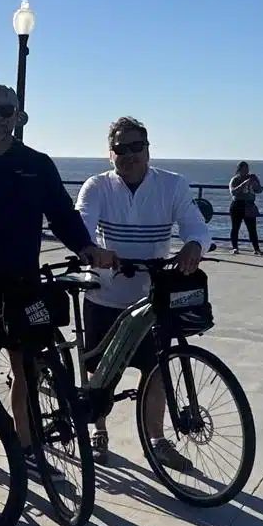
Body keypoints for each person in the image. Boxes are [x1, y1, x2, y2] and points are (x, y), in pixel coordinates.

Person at [0, 84, 114, 472]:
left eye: (5, 111)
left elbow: (63, 214)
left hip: (23, 283)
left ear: (18, 116)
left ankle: (27, 450)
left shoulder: (37, 164)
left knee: (26, 370)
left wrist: (85, 247)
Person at [76, 117, 209, 466]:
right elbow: (82, 226)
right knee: (98, 375)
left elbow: (195, 224)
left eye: (137, 147)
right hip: (104, 295)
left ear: (148, 149)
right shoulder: (97, 187)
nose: (129, 155)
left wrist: (194, 245)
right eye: (121, 149)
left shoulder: (172, 185)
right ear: (110, 154)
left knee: (157, 372)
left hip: (152, 299)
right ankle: (97, 432)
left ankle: (157, 440)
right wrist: (94, 251)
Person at [228, 161, 263, 255]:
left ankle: (256, 249)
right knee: (235, 227)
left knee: (252, 228)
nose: (246, 171)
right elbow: (233, 192)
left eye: (247, 169)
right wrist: (245, 183)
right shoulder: (235, 179)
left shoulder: (252, 178)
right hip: (237, 205)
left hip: (249, 205)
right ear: (239, 170)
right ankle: (235, 247)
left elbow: (259, 190)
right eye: (244, 169)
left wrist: (256, 181)